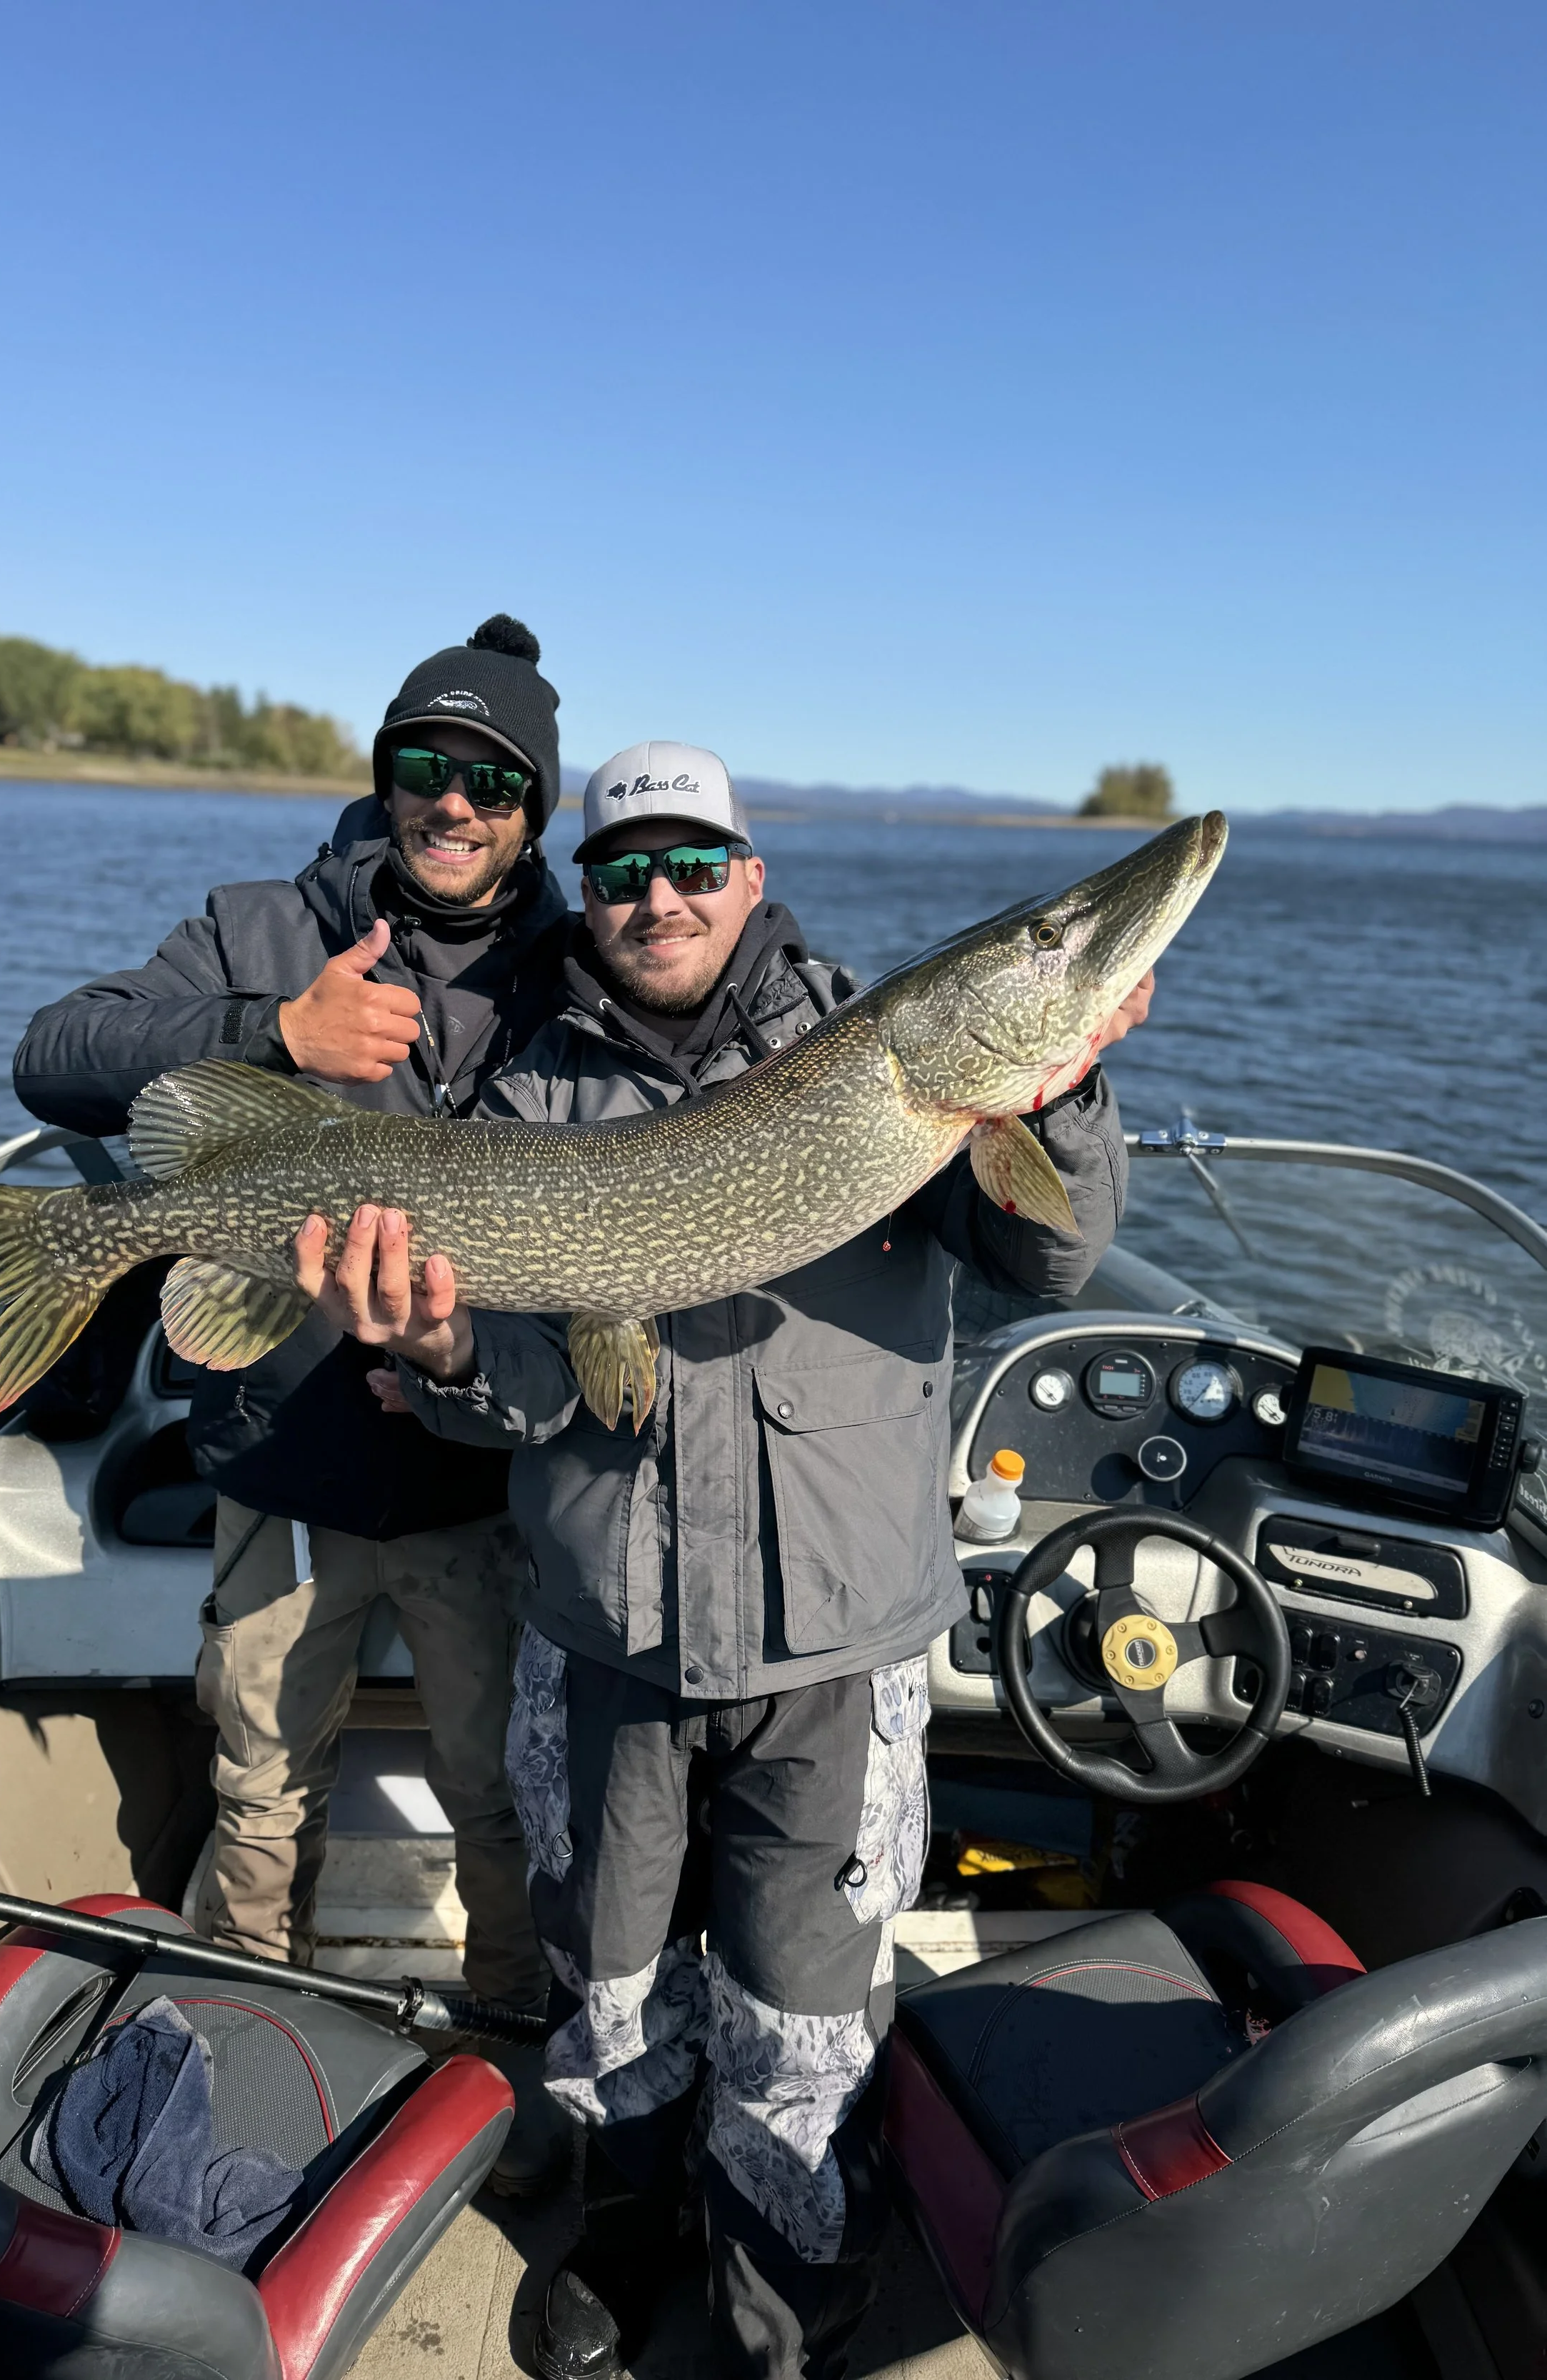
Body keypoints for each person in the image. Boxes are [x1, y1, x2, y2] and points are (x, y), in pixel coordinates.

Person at [295, 741, 1152, 2376]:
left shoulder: (885, 1045)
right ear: (591, 898)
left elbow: (1050, 1249)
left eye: (693, 862)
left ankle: (785, 2298)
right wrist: (457, 1352)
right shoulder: (533, 1086)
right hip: (605, 1633)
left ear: (749, 875)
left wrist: (1068, 1087)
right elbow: (539, 1393)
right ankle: (622, 2245)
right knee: (608, 1995)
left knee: (804, 2020)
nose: (657, 896)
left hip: (831, 1649)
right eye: (620, 872)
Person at [12, 616, 573, 2193]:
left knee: (498, 1795)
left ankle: (511, 2045)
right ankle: (238, 2031)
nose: (449, 804)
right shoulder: (265, 925)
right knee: (259, 1781)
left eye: (491, 780)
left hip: (475, 1479)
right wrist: (276, 1034)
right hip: (280, 1456)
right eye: (421, 767)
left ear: (535, 809)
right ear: (380, 777)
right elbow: (54, 1055)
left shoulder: (569, 965)